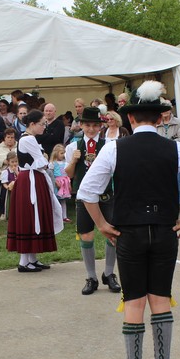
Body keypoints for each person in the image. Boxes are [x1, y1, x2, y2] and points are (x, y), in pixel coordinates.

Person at [77, 81, 180, 359]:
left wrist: (101, 224)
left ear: (130, 119)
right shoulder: (175, 147)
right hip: (166, 232)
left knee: (135, 300)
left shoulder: (114, 148)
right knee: (161, 297)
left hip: (129, 233)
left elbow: (87, 191)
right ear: (158, 119)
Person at [65, 107, 121, 294]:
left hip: (106, 195)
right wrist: (73, 161)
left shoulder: (109, 145)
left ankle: (109, 273)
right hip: (84, 196)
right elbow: (70, 175)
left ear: (101, 126)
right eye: (87, 125)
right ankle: (91, 276)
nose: (91, 129)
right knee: (86, 234)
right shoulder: (73, 146)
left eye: (95, 125)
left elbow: (115, 171)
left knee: (112, 234)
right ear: (81, 125)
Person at [6, 110, 64, 272]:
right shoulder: (29, 139)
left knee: (34, 214)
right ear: (32, 124)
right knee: (30, 216)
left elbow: (41, 161)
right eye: (42, 124)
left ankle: (31, 258)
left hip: (33, 179)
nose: (44, 127)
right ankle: (24, 261)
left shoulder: (28, 138)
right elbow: (41, 162)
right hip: (30, 180)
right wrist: (44, 159)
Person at [49, 144, 71, 222]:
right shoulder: (53, 163)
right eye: (61, 153)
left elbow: (68, 174)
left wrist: (69, 184)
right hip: (57, 184)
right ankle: (56, 217)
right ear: (56, 153)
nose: (63, 155)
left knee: (63, 200)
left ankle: (64, 216)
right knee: (56, 200)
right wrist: (55, 182)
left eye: (64, 153)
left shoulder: (66, 163)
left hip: (64, 183)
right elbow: (51, 174)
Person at [0, 151, 19, 219]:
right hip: (8, 189)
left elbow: (20, 178)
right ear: (8, 162)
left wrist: (16, 171)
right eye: (12, 162)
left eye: (16, 161)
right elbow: (4, 183)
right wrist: (8, 188)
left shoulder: (19, 170)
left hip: (18, 188)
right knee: (3, 196)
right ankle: (4, 212)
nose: (14, 163)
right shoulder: (5, 171)